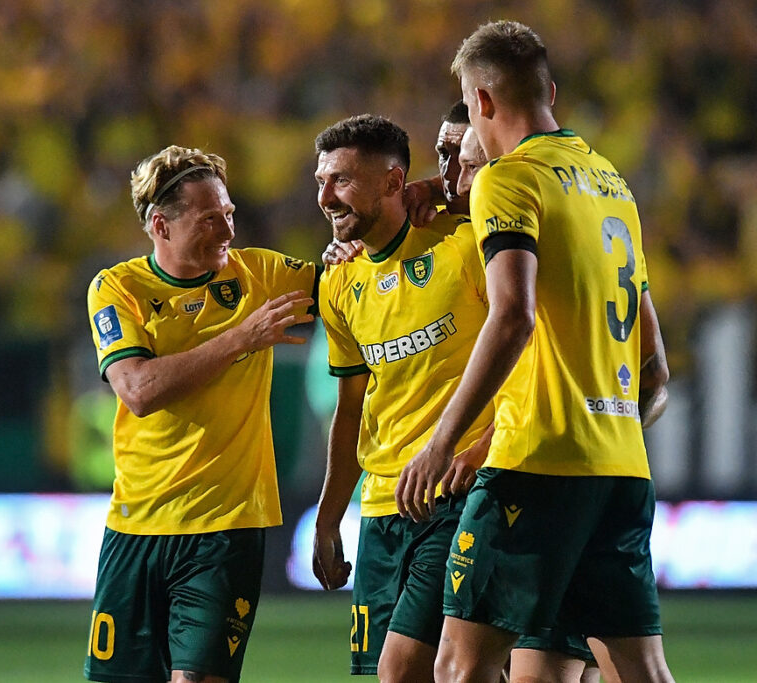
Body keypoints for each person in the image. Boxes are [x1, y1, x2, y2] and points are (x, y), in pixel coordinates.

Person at [395, 20, 673, 683]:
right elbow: (655, 366)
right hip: (621, 468)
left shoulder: (507, 179)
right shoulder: (612, 185)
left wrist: (441, 442)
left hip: (536, 464)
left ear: (482, 101)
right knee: (640, 670)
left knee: (460, 668)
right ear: (549, 91)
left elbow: (513, 316)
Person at [83, 145, 317, 683]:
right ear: (161, 225)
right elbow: (138, 390)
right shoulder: (118, 288)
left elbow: (357, 280)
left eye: (229, 214)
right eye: (210, 219)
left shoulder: (261, 273)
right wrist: (240, 338)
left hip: (225, 529)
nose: (228, 230)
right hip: (136, 527)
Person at [311, 113, 494, 683]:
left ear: (394, 182)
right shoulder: (338, 282)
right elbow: (351, 408)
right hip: (381, 510)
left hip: (455, 496)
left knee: (405, 671)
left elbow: (531, 355)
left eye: (341, 181)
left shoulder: (465, 246)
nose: (325, 198)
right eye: (321, 181)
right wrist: (328, 516)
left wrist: (486, 446)